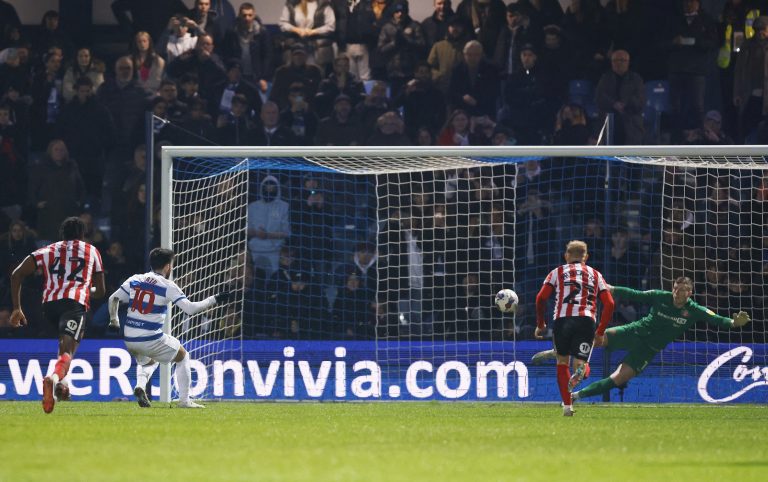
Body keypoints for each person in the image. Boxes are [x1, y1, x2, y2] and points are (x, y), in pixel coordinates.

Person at [570, 277, 750, 402]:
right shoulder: (660, 296)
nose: (676, 293)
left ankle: (576, 396)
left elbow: (717, 319)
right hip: (635, 332)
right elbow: (635, 294)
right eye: (675, 289)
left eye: (681, 290)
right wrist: (612, 289)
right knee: (596, 339)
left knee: (617, 378)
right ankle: (565, 353)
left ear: (689, 292)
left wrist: (734, 323)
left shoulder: (695, 310)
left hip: (648, 349)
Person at [107, 247, 230, 408]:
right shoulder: (168, 286)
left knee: (150, 362)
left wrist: (114, 320)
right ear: (167, 267)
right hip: (149, 337)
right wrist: (215, 299)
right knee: (183, 356)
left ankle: (140, 386)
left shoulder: (135, 279)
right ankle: (185, 401)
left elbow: (113, 298)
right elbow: (190, 309)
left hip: (129, 337)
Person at [9, 217, 105, 413]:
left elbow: (16, 274)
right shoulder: (91, 251)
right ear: (82, 234)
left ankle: (63, 386)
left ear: (62, 234)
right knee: (68, 350)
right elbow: (101, 291)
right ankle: (53, 380)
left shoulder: (48, 250)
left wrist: (17, 308)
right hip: (73, 304)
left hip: (49, 307)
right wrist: (87, 290)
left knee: (63, 346)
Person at [534, 240, 615, 416]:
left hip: (562, 321)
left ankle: (567, 407)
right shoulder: (595, 274)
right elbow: (609, 303)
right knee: (581, 363)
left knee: (562, 362)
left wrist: (541, 324)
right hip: (586, 321)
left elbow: (541, 298)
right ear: (586, 257)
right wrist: (600, 332)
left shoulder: (557, 272)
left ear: (566, 256)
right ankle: (582, 370)